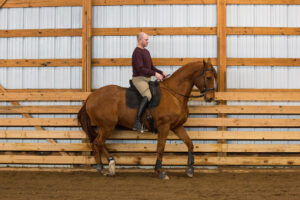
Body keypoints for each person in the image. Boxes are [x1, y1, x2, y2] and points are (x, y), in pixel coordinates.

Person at [131, 32, 167, 132]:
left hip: (147, 79)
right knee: (148, 95)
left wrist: (161, 72)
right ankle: (137, 121)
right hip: (139, 79)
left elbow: (151, 67)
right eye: (146, 40)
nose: (148, 41)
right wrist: (155, 74)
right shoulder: (137, 52)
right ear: (140, 40)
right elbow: (141, 69)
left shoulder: (146, 52)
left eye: (148, 39)